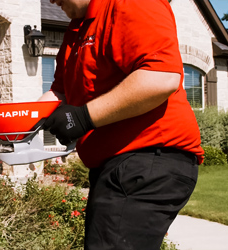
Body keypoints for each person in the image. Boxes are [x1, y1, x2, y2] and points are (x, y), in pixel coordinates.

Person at [38, 0, 204, 249]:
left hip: (149, 159)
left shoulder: (131, 3)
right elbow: (59, 92)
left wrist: (83, 118)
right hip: (117, 165)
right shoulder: (78, 28)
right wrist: (16, 120)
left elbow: (161, 77)